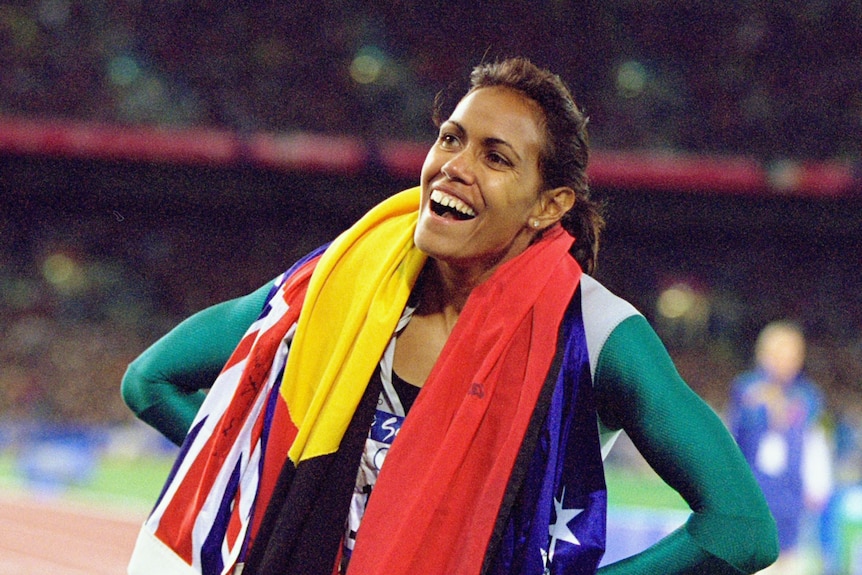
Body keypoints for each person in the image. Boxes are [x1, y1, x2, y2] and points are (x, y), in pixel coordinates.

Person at [122, 57, 778, 575]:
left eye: (496, 157)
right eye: (451, 138)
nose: (454, 167)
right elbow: (150, 381)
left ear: (548, 205)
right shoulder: (345, 283)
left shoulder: (596, 333)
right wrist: (277, 493)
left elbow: (742, 528)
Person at [730, 320, 832, 574]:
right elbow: (737, 438)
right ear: (763, 354)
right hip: (753, 500)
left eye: (793, 354)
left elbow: (814, 443)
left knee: (790, 564)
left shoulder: (808, 396)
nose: (785, 361)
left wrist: (818, 485)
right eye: (778, 353)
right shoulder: (746, 389)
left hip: (792, 503)